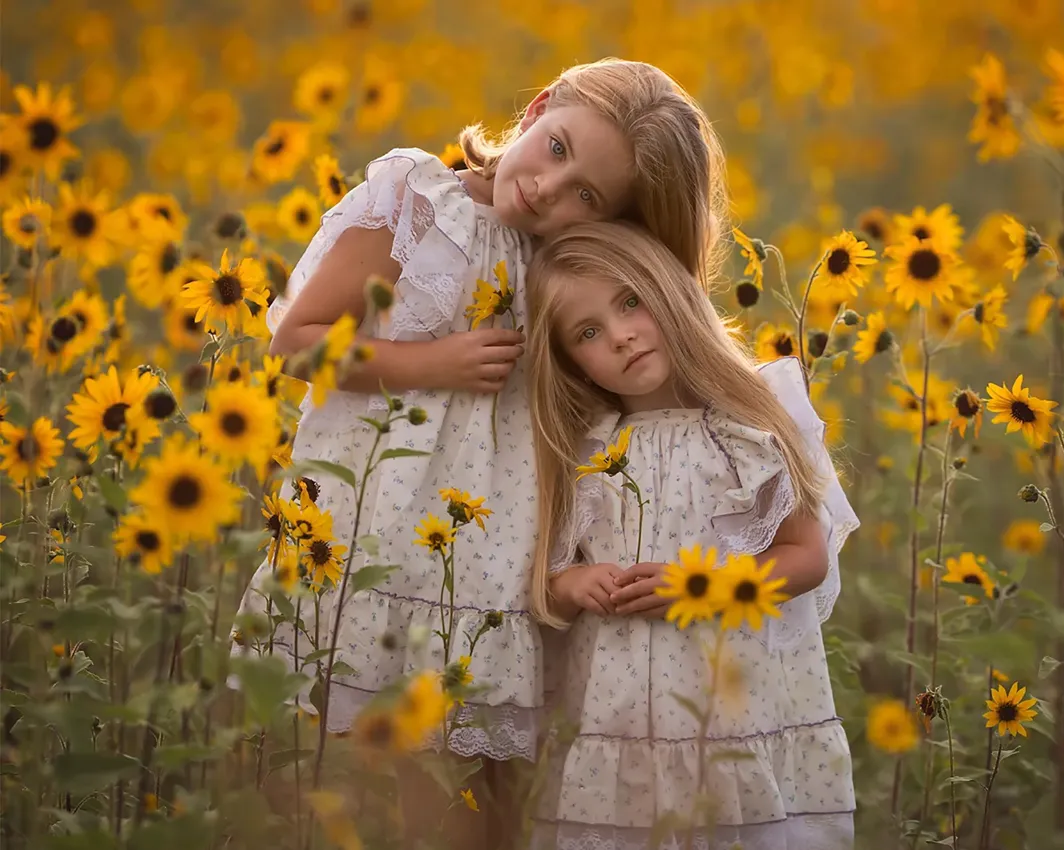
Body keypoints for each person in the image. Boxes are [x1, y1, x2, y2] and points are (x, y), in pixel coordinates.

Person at [231, 58, 728, 848]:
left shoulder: (568, 270)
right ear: (535, 110)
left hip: (500, 561)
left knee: (489, 804)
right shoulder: (415, 202)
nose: (548, 191)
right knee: (376, 782)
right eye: (558, 150)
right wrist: (434, 364)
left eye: (588, 198)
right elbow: (296, 341)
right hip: (382, 533)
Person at [525, 221, 858, 850]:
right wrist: (573, 584)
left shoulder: (744, 420)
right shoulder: (583, 446)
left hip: (732, 708)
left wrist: (703, 587)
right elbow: (548, 576)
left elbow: (806, 558)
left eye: (630, 302)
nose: (620, 336)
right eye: (588, 332)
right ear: (572, 361)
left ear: (670, 292)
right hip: (616, 720)